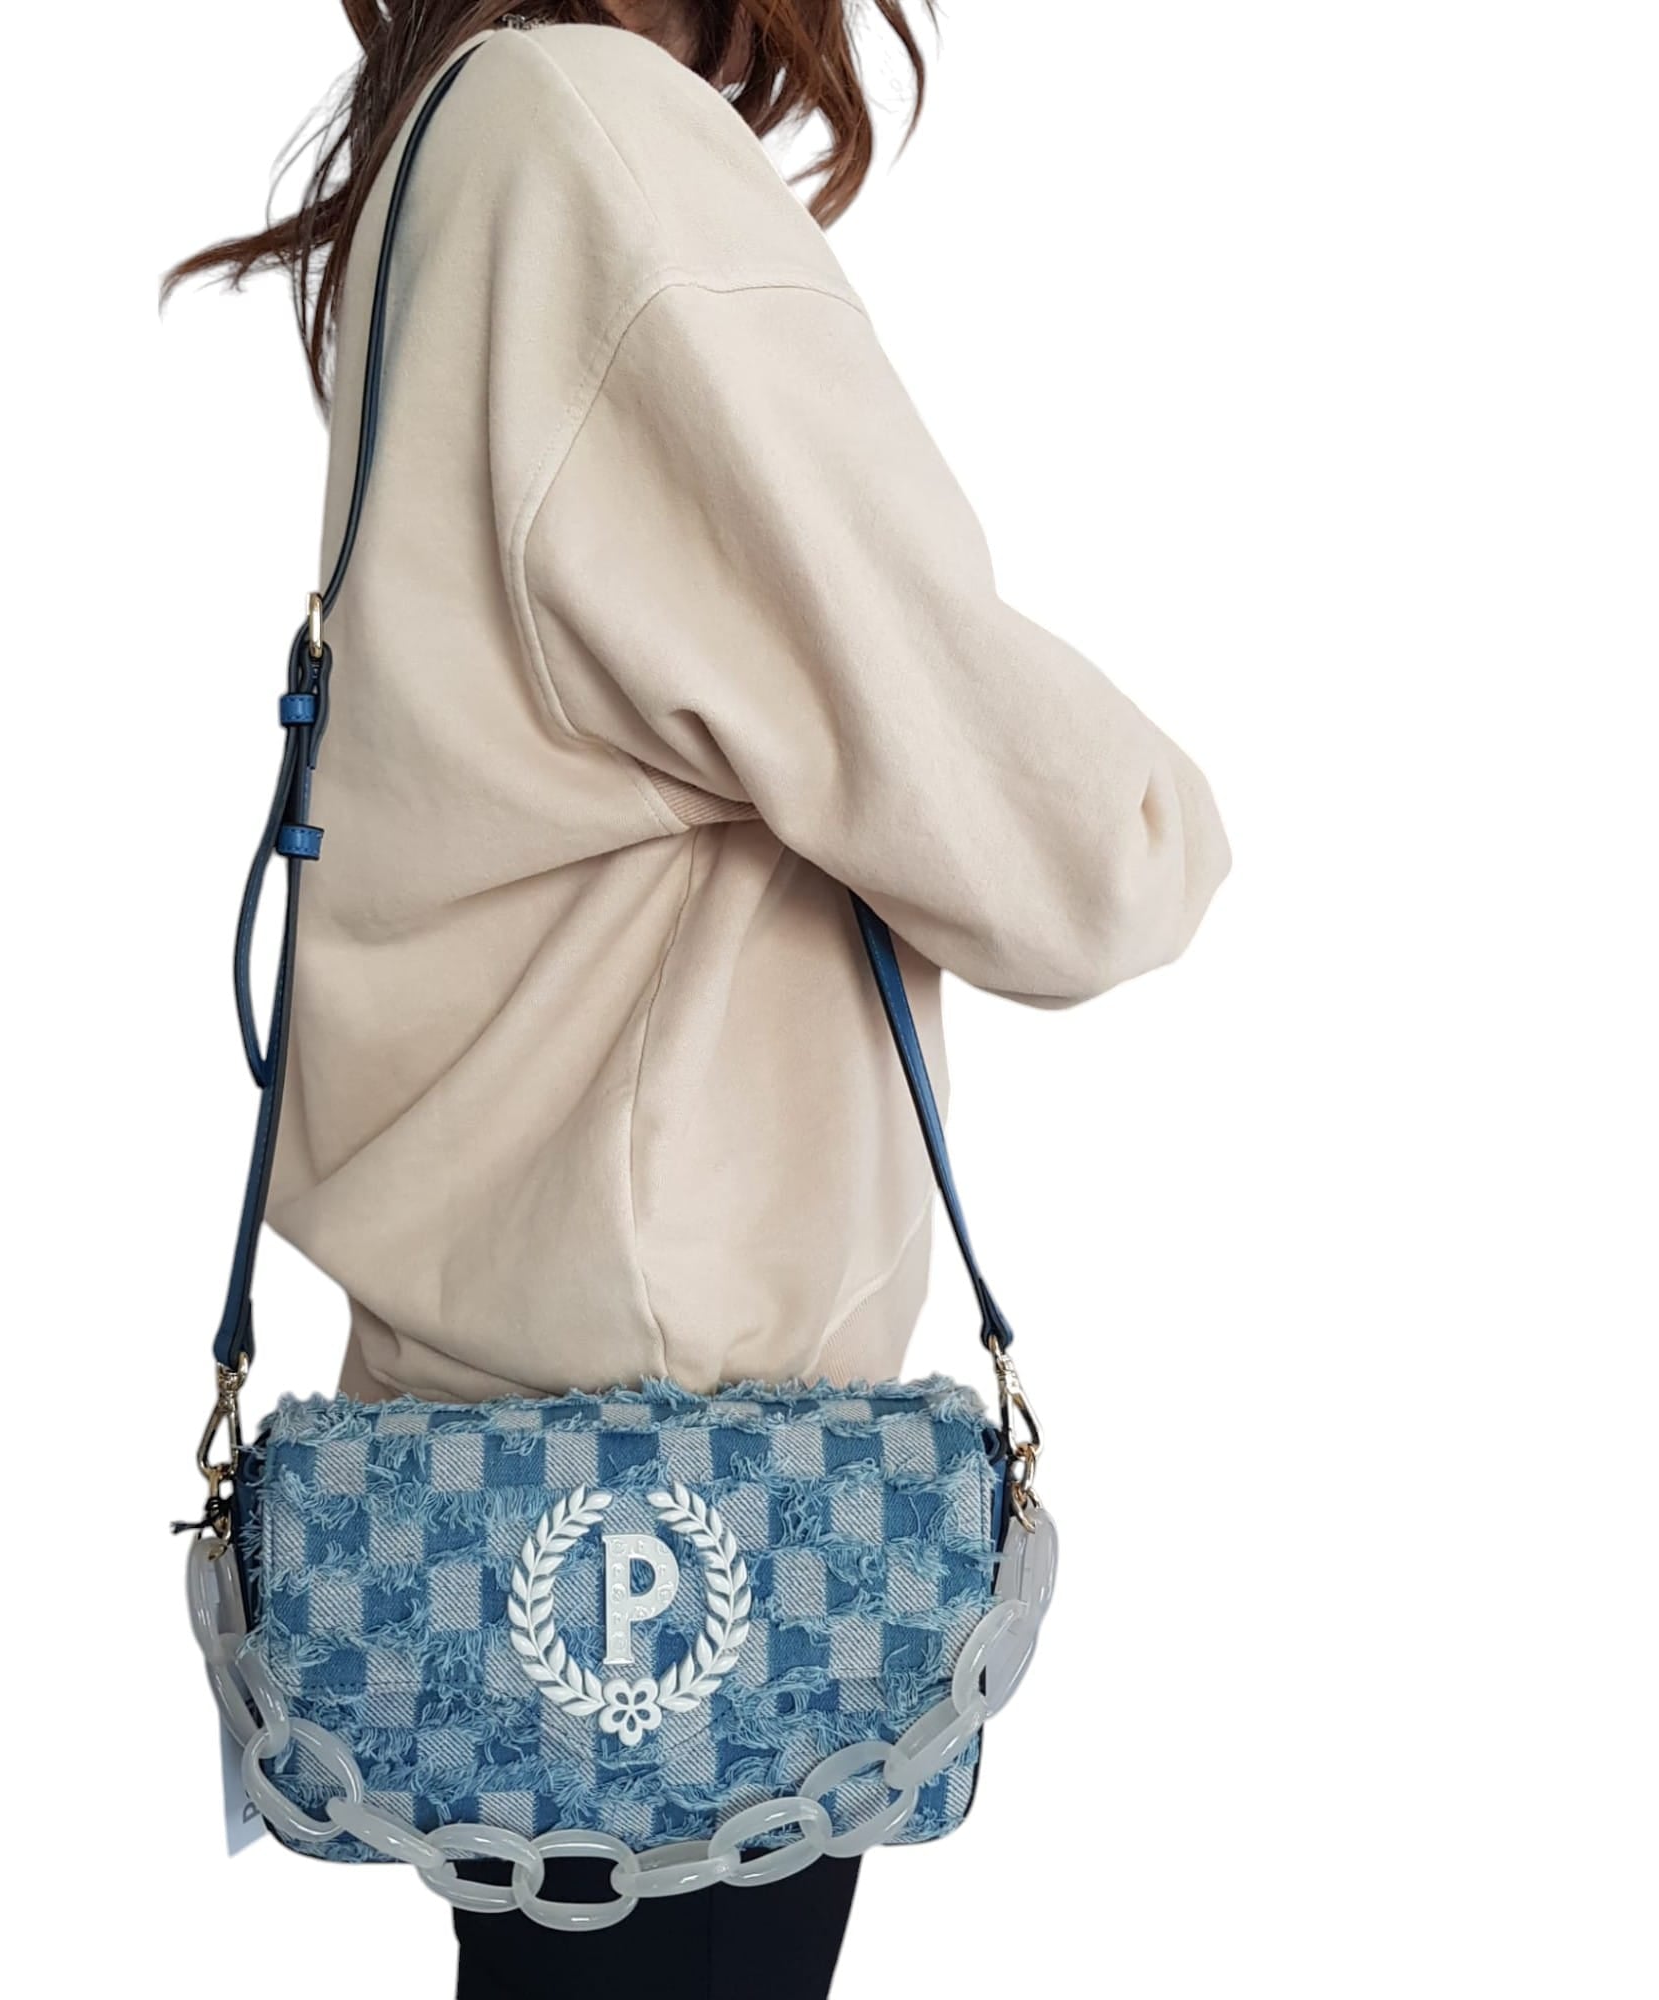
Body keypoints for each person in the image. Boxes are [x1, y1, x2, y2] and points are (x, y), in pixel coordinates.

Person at [170, 6, 1228, 1993]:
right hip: (695, 1436)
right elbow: (1055, 844)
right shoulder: (594, 142)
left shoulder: (460, 146)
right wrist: (1161, 821)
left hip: (489, 1419)